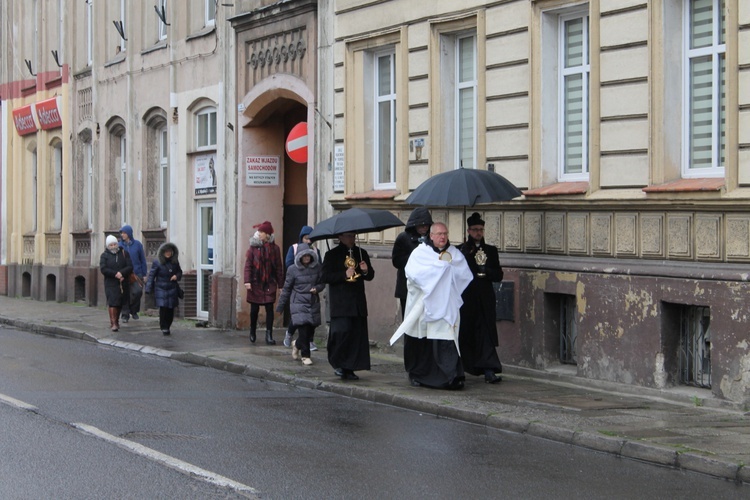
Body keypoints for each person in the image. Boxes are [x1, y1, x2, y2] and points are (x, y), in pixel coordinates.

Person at [390, 222, 473, 390]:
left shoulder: (454, 254)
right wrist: (439, 270)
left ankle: (451, 376)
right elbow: (413, 275)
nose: (443, 237)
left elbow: (465, 275)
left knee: (447, 338)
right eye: (439, 234)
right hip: (424, 305)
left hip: (446, 306)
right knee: (422, 339)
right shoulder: (420, 253)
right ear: (432, 235)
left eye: (445, 233)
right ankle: (419, 374)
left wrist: (448, 271)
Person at [458, 212, 504, 384]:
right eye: (475, 230)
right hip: (467, 298)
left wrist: (486, 271)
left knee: (486, 333)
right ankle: (463, 368)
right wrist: (465, 254)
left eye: (481, 230)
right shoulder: (461, 250)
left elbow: (498, 274)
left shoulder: (490, 250)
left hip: (484, 298)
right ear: (469, 231)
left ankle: (489, 369)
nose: (478, 233)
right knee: (466, 332)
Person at [321, 232, 374, 380]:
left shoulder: (361, 253)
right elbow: (325, 276)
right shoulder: (332, 254)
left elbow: (370, 276)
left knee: (355, 336)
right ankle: (338, 364)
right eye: (348, 236)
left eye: (353, 236)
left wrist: (365, 270)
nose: (351, 238)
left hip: (357, 301)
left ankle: (350, 367)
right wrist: (343, 274)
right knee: (341, 333)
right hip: (341, 302)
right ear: (340, 238)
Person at [276, 243, 326, 365]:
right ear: (299, 257)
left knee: (310, 330)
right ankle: (305, 356)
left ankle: (297, 344)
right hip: (298, 302)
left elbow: (322, 282)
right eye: (304, 256)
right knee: (304, 329)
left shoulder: (317, 267)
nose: (307, 258)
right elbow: (287, 288)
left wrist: (317, 289)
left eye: (308, 256)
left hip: (312, 301)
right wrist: (280, 306)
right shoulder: (292, 269)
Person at [244, 221, 284, 345]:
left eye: (262, 232)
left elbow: (278, 267)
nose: (259, 234)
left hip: (269, 283)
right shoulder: (253, 248)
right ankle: (252, 331)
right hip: (256, 282)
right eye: (259, 232)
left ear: (267, 234)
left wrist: (281, 284)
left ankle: (269, 335)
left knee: (269, 309)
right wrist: (247, 281)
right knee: (254, 309)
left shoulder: (275, 249)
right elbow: (248, 266)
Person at [283, 225, 321, 351]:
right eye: (306, 238)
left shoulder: (315, 251)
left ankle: (309, 341)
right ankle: (290, 334)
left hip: (311, 290)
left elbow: (319, 268)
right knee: (299, 318)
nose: (308, 241)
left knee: (312, 318)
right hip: (298, 289)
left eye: (310, 238)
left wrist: (317, 286)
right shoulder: (294, 248)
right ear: (301, 238)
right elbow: (289, 264)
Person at [392, 207, 433, 319]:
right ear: (414, 225)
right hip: (407, 287)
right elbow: (396, 261)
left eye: (427, 225)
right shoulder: (403, 238)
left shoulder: (432, 238)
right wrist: (416, 257)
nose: (425, 228)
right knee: (409, 320)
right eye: (421, 225)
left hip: (427, 287)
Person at [145, 242, 183, 335]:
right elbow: (151, 275)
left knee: (171, 309)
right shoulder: (157, 262)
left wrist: (176, 276)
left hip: (172, 287)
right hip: (161, 288)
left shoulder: (175, 261)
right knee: (163, 308)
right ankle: (163, 327)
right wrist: (148, 288)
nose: (168, 253)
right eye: (166, 251)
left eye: (169, 251)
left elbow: (179, 272)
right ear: (162, 252)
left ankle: (168, 326)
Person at [99, 234, 133, 332]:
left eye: (114, 244)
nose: (113, 247)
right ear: (107, 246)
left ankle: (117, 321)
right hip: (111, 282)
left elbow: (130, 266)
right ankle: (113, 323)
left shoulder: (124, 253)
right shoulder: (104, 255)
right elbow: (103, 269)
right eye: (111, 245)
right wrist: (115, 274)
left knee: (120, 302)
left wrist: (122, 273)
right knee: (113, 302)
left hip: (123, 282)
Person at [119, 224, 147, 323]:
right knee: (125, 294)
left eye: (124, 233)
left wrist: (144, 274)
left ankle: (134, 310)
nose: (122, 235)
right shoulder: (120, 246)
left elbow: (142, 260)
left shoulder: (137, 245)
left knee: (138, 292)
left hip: (136, 273)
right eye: (122, 233)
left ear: (129, 234)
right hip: (125, 274)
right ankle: (125, 315)